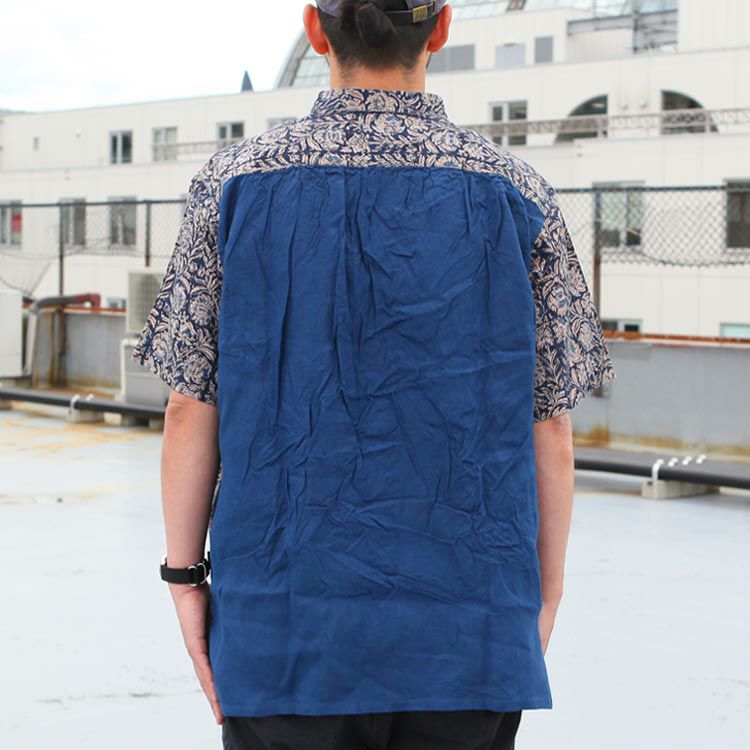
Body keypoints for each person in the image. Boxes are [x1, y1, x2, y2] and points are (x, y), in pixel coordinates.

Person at [132, 1, 616, 748]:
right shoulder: (519, 190)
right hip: (470, 630)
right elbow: (549, 421)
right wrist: (543, 597)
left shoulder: (230, 183)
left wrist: (184, 578)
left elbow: (189, 406)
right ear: (442, 28)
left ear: (316, 29)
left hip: (281, 627)